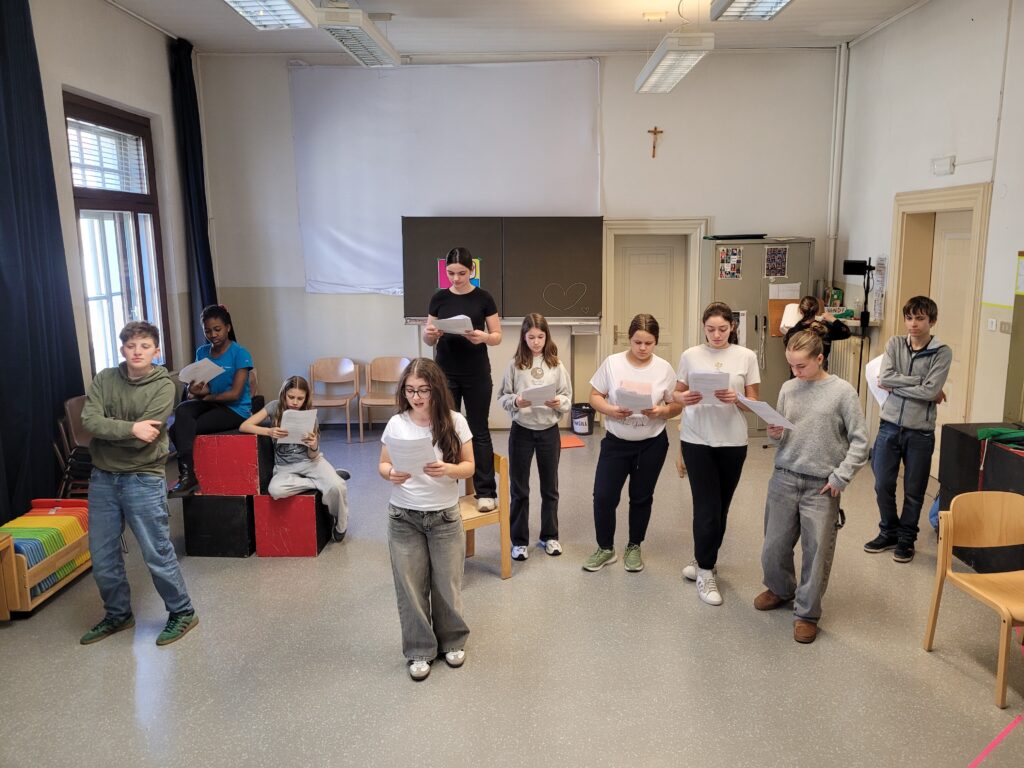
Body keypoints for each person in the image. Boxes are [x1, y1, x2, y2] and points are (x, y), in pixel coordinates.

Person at [80, 321, 198, 646]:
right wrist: (131, 428)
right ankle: (118, 614)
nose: (137, 352)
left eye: (144, 346)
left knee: (156, 552)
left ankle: (183, 612)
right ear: (122, 349)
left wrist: (111, 428)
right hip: (103, 477)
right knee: (102, 556)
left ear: (155, 351)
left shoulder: (163, 386)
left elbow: (144, 439)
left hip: (143, 477)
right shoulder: (105, 379)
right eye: (131, 346)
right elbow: (89, 421)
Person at [757, 329, 869, 644]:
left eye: (801, 366)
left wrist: (840, 477)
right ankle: (780, 589)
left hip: (821, 485)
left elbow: (861, 442)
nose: (796, 372)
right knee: (773, 546)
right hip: (784, 476)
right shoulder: (788, 388)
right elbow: (779, 436)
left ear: (820, 358)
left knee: (816, 552)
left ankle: (806, 613)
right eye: (791, 365)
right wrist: (774, 433)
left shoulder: (843, 392)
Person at [379, 358, 475, 681]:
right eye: (410, 390)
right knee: (410, 587)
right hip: (404, 516)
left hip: (444, 516)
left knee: (447, 583)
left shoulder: (455, 421)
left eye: (423, 390)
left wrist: (448, 469)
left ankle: (452, 641)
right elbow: (383, 464)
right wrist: (390, 473)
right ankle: (419, 649)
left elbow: (470, 467)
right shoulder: (397, 423)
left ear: (436, 389)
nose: (416, 397)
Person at [674, 301, 760, 606]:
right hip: (697, 439)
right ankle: (706, 571)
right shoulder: (690, 355)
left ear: (732, 327)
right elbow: (675, 393)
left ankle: (703, 559)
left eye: (723, 329)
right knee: (707, 507)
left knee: (721, 508)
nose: (716, 334)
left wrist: (737, 398)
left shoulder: (746, 356)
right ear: (703, 327)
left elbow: (754, 403)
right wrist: (683, 397)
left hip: (733, 441)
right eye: (710, 329)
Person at [583, 314, 681, 574]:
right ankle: (605, 548)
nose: (642, 348)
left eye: (649, 343)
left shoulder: (664, 368)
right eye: (638, 342)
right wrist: (610, 410)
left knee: (641, 497)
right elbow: (595, 396)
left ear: (656, 342)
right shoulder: (612, 363)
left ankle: (634, 546)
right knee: (603, 496)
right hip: (616, 442)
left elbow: (676, 405)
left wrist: (661, 411)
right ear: (629, 339)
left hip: (652, 444)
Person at [864, 296, 951, 563]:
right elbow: (885, 378)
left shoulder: (942, 352)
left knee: (914, 491)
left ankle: (906, 539)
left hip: (920, 432)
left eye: (920, 318)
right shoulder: (894, 343)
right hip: (889, 426)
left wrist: (900, 387)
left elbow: (931, 392)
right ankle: (888, 531)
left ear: (932, 321)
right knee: (882, 484)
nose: (913, 324)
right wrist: (919, 383)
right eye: (909, 318)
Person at [423, 247, 501, 512]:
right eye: (451, 273)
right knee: (447, 429)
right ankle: (447, 491)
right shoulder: (439, 298)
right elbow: (428, 337)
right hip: (445, 374)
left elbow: (497, 335)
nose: (456, 278)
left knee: (479, 430)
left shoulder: (484, 297)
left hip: (477, 373)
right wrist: (431, 335)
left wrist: (484, 337)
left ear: (472, 270)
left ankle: (486, 492)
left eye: (461, 273)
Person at [497, 313, 572, 561]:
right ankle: (519, 541)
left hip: (549, 431)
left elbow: (567, 396)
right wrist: (516, 401)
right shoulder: (515, 365)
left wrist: (558, 401)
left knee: (550, 487)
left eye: (541, 337)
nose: (536, 342)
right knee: (519, 489)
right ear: (523, 337)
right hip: (522, 431)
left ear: (547, 337)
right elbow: (503, 396)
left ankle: (549, 536)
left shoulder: (556, 364)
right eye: (531, 337)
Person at [240, 376, 350, 543]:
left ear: (306, 398)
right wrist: (269, 432)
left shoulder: (310, 415)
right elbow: (244, 426)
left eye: (300, 398)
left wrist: (313, 445)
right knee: (275, 490)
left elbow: (313, 455)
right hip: (284, 467)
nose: (295, 402)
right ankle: (323, 481)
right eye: (291, 397)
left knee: (337, 487)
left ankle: (341, 525)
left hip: (311, 462)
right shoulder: (274, 407)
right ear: (284, 394)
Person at [169, 304, 255, 496]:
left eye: (217, 329)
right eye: (208, 331)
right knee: (182, 411)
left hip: (235, 410)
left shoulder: (240, 353)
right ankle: (188, 475)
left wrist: (207, 397)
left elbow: (235, 394)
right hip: (211, 403)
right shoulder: (202, 352)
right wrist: (194, 390)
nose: (213, 335)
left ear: (228, 328)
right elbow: (204, 386)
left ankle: (188, 476)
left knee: (178, 429)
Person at [782, 295, 851, 372]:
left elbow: (789, 354)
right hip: (819, 371)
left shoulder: (792, 332)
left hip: (799, 372)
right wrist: (832, 318)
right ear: (817, 311)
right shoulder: (824, 329)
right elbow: (846, 332)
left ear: (800, 311)